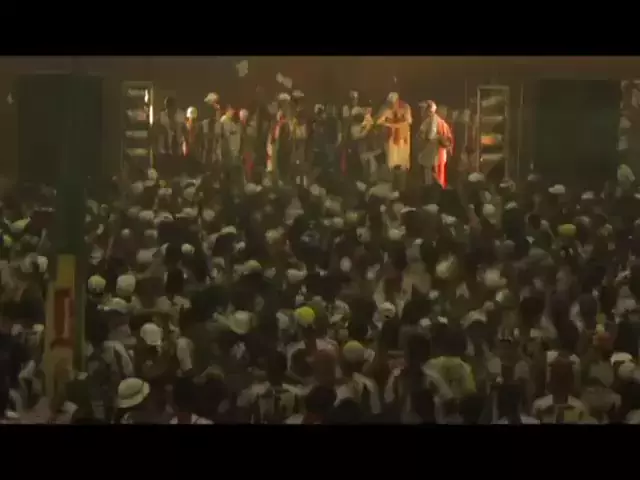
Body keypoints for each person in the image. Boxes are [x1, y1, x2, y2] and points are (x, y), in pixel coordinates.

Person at [417, 100, 453, 187]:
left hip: (431, 156)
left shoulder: (431, 121)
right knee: (438, 179)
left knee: (431, 180)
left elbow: (427, 136)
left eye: (423, 109)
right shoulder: (444, 124)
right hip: (439, 156)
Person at [376, 92, 412, 171]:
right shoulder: (386, 108)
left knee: (402, 156)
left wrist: (395, 124)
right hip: (391, 136)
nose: (392, 104)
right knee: (392, 156)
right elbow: (379, 121)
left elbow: (408, 121)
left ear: (397, 100)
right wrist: (387, 122)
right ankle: (392, 169)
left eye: (393, 102)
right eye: (390, 103)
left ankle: (403, 169)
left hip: (402, 136)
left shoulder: (405, 107)